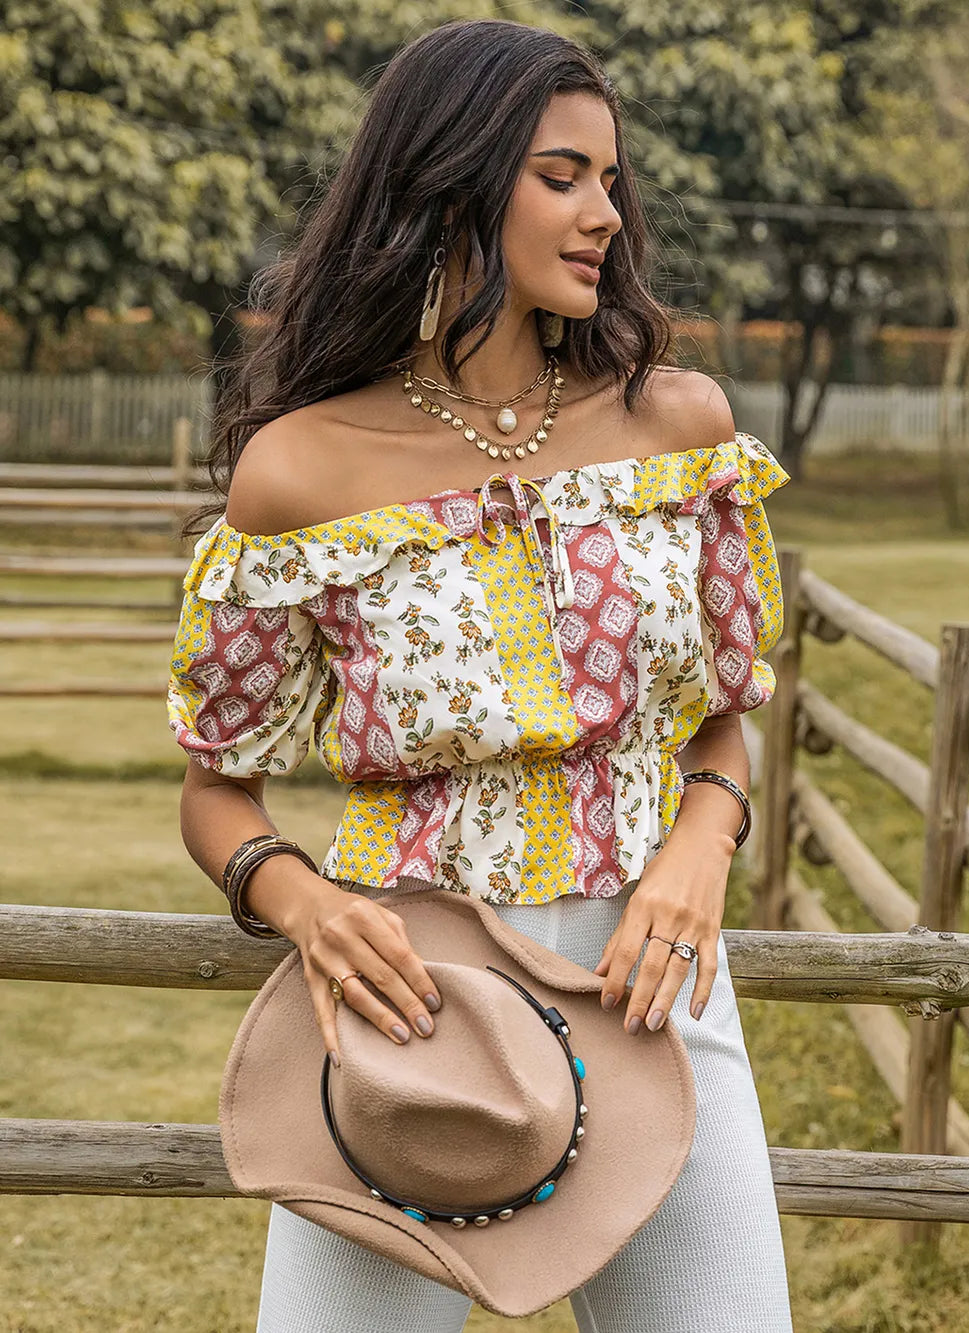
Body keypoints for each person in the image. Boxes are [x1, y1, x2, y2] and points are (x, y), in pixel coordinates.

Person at [168, 17, 795, 1333]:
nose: (605, 215)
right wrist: (302, 904)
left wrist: (700, 843)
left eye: (611, 181)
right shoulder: (303, 468)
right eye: (563, 176)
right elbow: (215, 786)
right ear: (454, 178)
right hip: (412, 1005)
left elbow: (727, 710)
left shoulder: (676, 430)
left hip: (654, 987)